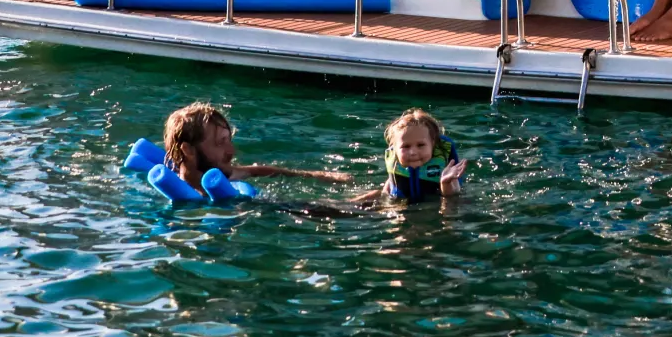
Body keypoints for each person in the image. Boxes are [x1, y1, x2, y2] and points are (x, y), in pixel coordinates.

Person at [159, 102, 369, 197]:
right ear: (188, 150)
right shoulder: (175, 190)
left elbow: (256, 170)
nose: (232, 151)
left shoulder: (223, 172)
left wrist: (317, 175)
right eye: (220, 143)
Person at [381, 108, 467, 202]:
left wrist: (445, 183)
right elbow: (392, 182)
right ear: (395, 149)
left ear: (432, 144)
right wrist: (384, 198)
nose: (413, 152)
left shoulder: (447, 172)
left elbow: (452, 198)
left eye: (420, 145)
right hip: (401, 204)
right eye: (406, 146)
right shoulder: (395, 163)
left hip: (433, 206)